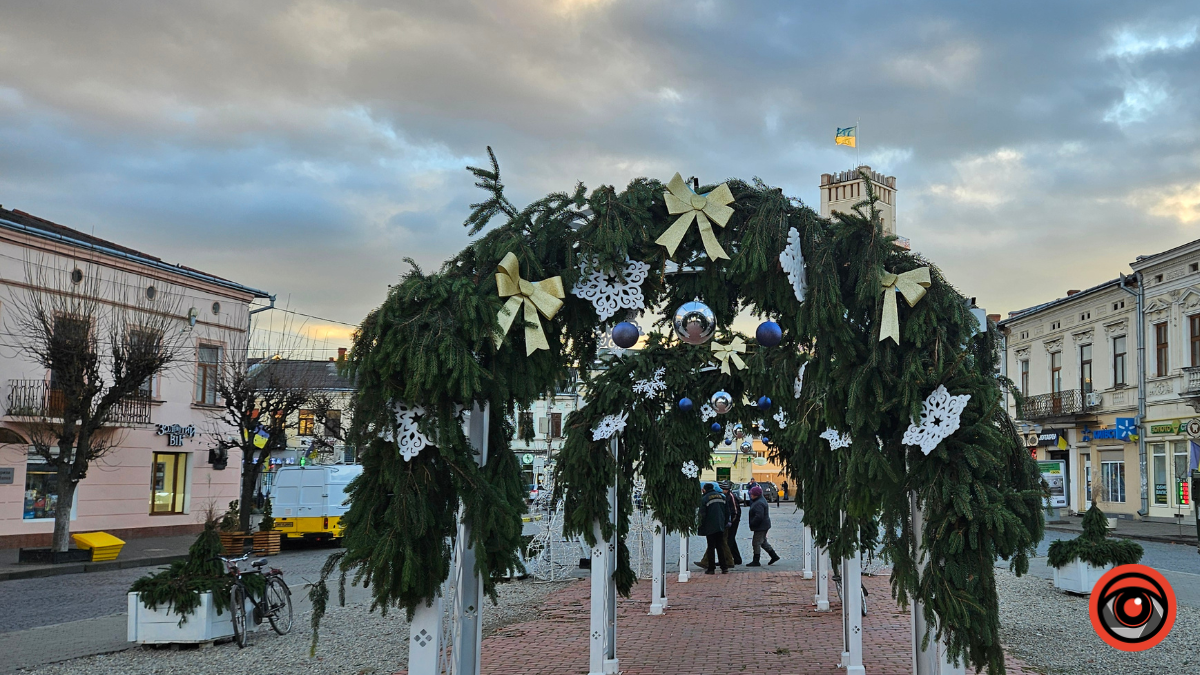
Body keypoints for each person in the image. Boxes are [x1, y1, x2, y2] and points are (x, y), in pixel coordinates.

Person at [697, 482, 729, 574]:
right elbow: (727, 512)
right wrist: (724, 523)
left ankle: (711, 568)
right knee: (720, 546)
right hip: (720, 526)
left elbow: (702, 514)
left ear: (705, 490)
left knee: (711, 547)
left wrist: (701, 525)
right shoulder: (722, 497)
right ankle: (724, 567)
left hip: (710, 526)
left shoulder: (704, 498)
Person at [746, 485, 780, 566]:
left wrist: (753, 523)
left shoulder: (759, 503)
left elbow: (759, 516)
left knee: (756, 542)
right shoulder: (760, 500)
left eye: (751, 494)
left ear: (756, 495)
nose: (750, 495)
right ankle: (774, 556)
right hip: (764, 525)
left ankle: (756, 560)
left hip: (761, 526)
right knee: (763, 542)